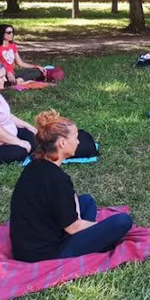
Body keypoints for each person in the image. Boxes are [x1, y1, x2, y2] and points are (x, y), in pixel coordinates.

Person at [10, 110, 132, 262]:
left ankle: (89, 238)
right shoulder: (56, 179)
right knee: (122, 221)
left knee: (87, 201)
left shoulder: (35, 166)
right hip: (45, 253)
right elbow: (72, 227)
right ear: (62, 143)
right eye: (75, 138)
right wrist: (98, 227)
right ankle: (92, 243)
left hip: (30, 243)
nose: (78, 142)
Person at [0, 61, 96, 169]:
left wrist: (29, 126)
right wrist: (18, 142)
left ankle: (69, 143)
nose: (5, 79)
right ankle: (55, 151)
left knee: (32, 137)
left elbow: (6, 115)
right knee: (20, 151)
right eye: (1, 77)